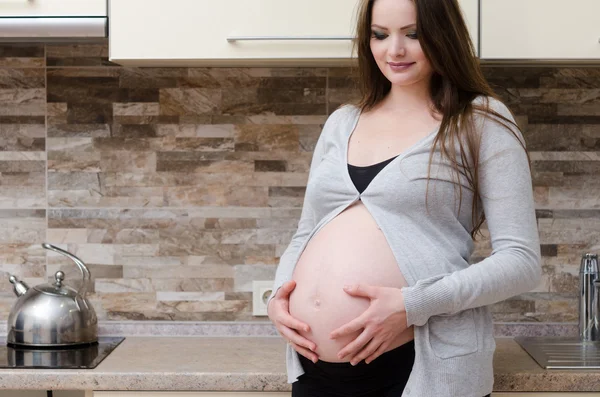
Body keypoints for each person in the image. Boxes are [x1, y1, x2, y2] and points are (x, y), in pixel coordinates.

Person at [267, 0, 542, 396]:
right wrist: (279, 297)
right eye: (380, 35)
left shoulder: (480, 121)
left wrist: (412, 305)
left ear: (443, 36)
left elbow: (521, 262)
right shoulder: (343, 121)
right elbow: (306, 232)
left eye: (412, 34)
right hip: (314, 369)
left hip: (420, 364)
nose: (393, 50)